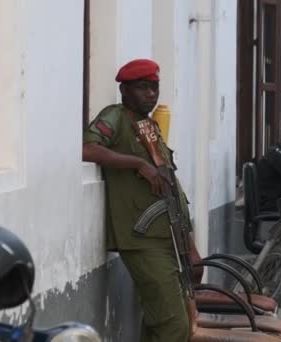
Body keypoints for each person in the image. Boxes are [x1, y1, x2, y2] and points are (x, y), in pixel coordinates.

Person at [82, 59, 189, 342]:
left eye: (154, 87)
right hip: (141, 241)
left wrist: (190, 246)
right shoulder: (115, 117)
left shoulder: (150, 127)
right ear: (124, 90)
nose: (151, 94)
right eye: (143, 87)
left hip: (168, 239)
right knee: (175, 327)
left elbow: (171, 190)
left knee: (159, 324)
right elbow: (88, 149)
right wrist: (137, 164)